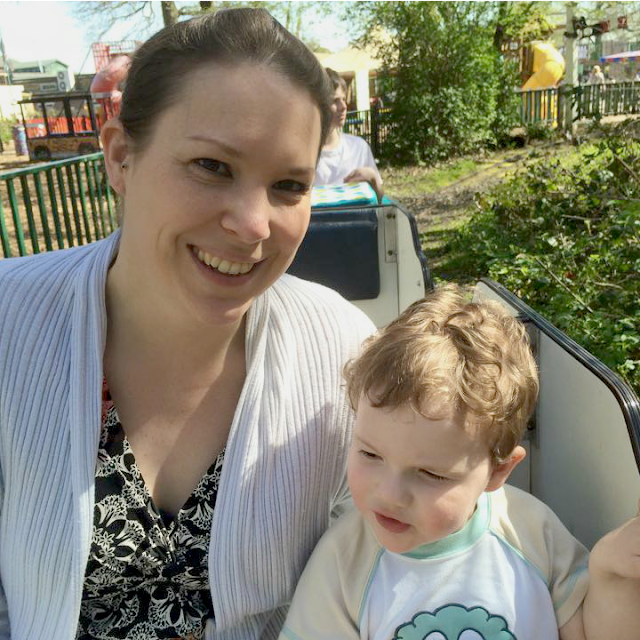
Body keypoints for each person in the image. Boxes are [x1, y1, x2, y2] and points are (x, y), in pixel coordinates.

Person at [0, 9, 376, 640]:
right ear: (120, 156)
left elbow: (389, 569)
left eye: (289, 185)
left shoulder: (343, 352)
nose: (253, 225)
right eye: (212, 166)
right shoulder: (10, 323)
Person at [279, 285, 640, 640]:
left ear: (498, 470)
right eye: (370, 454)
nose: (389, 494)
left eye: (430, 474)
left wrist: (612, 574)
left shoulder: (531, 531)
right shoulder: (343, 561)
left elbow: (583, 632)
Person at [314, 68, 384, 202]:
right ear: (317, 105)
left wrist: (373, 178)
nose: (343, 106)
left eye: (344, 99)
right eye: (334, 100)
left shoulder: (359, 148)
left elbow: (380, 200)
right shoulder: (304, 154)